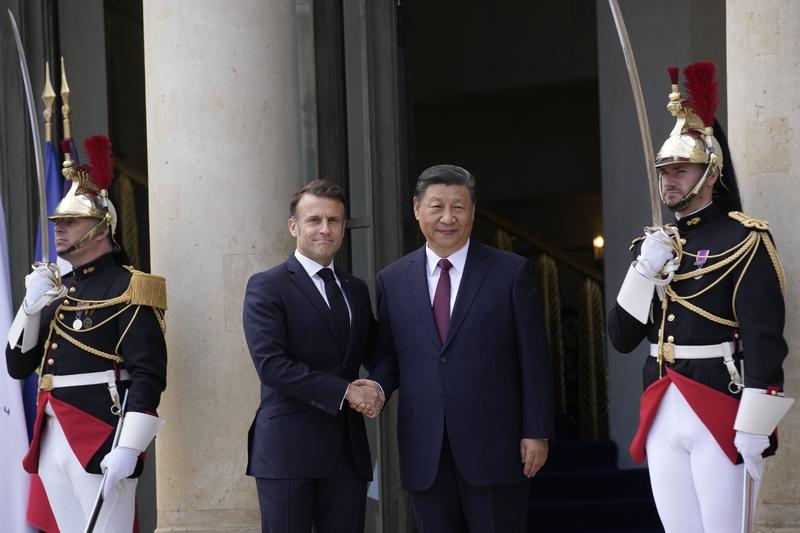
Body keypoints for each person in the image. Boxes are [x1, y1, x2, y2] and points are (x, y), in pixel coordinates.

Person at [608, 61, 790, 532]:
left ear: (710, 173)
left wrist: (757, 422)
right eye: (665, 170)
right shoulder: (651, 245)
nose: (670, 179)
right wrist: (644, 269)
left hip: (719, 403)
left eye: (681, 169)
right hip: (662, 401)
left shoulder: (744, 239)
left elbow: (765, 339)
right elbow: (622, 336)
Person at [355, 164, 553, 532]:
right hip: (424, 447)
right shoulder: (392, 280)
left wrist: (536, 430)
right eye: (436, 207)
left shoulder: (511, 273)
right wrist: (377, 387)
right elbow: (389, 355)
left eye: (458, 207)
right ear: (416, 209)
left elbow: (534, 358)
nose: (448, 218)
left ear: (473, 211)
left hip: (497, 444)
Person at [6, 135, 167, 532]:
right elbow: (17, 365)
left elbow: (148, 373)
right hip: (51, 434)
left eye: (70, 222)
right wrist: (30, 308)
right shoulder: (61, 290)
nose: (59, 231)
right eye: (57, 223)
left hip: (100, 433)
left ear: (100, 229)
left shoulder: (131, 286)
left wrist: (130, 445)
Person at [242, 179, 380, 533]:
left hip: (348, 455)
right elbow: (272, 366)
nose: (325, 228)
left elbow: (378, 351)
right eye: (314, 220)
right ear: (294, 226)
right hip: (288, 453)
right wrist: (346, 392)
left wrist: (378, 387)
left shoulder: (356, 290)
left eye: (334, 221)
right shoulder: (267, 285)